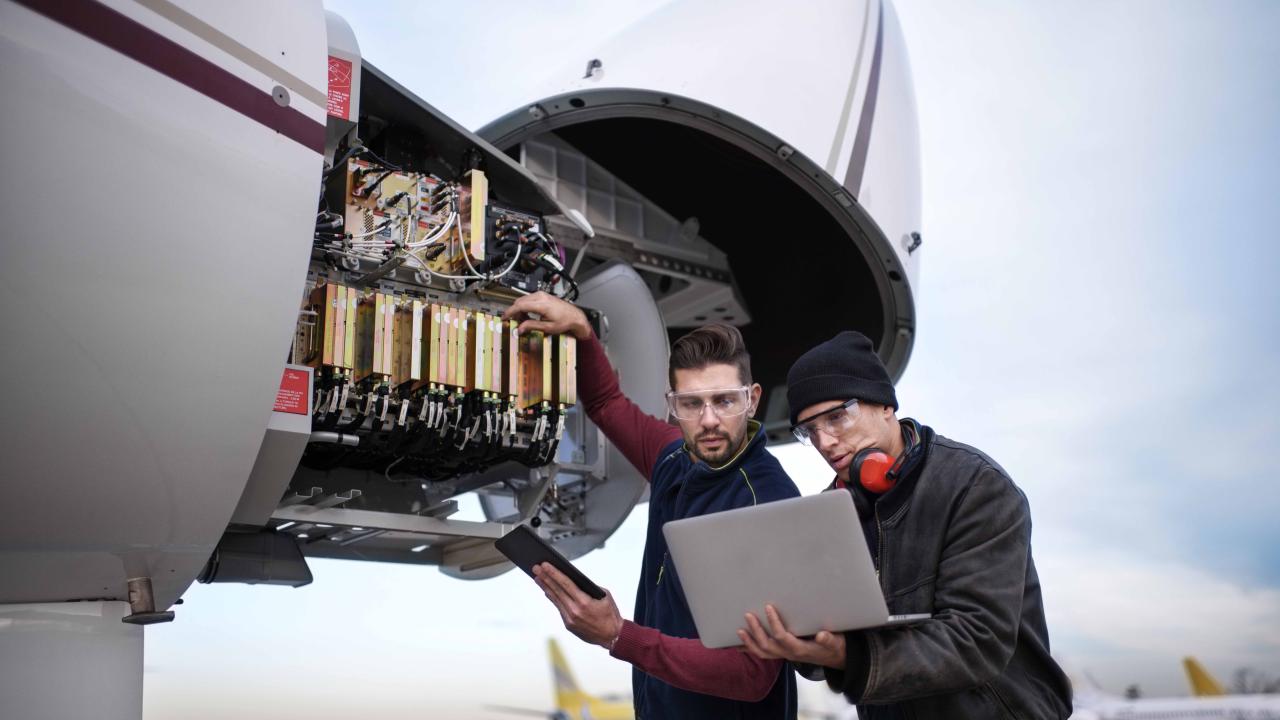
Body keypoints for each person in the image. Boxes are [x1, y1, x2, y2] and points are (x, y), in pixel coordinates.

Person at [737, 331, 1073, 719]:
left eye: (836, 417)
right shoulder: (827, 515)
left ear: (885, 405)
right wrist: (798, 639)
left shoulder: (974, 485)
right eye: (809, 431)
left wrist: (852, 656)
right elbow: (826, 659)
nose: (825, 442)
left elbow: (978, 640)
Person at [502, 292, 801, 720]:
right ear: (672, 406)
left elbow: (753, 675)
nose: (710, 419)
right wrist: (583, 332)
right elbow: (607, 404)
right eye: (692, 404)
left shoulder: (767, 504)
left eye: (724, 401)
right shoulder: (673, 457)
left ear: (752, 399)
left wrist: (618, 635)